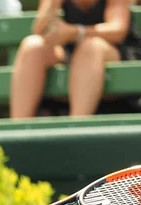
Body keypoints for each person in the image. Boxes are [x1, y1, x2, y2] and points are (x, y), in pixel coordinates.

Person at [10, 0, 141, 118]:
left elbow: (118, 31)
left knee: (90, 48)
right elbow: (39, 31)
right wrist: (52, 4)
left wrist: (76, 32)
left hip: (114, 54)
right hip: (70, 56)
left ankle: (76, 129)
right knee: (32, 46)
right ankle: (18, 132)